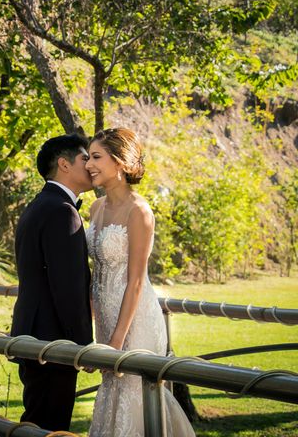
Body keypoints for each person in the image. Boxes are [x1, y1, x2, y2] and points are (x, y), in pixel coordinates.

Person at [84, 128, 195, 437]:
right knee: (111, 391)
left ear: (120, 162)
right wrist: (94, 326)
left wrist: (117, 340)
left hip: (135, 316)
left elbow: (135, 281)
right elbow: (95, 273)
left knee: (133, 387)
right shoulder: (95, 208)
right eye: (88, 157)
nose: (88, 165)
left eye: (96, 157)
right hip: (106, 314)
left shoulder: (140, 212)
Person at [11, 133, 94, 432]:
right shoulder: (62, 211)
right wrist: (84, 344)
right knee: (51, 424)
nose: (91, 165)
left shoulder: (40, 204)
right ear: (64, 164)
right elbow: (67, 286)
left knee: (36, 421)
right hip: (52, 339)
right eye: (85, 159)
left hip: (34, 332)